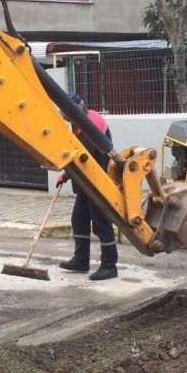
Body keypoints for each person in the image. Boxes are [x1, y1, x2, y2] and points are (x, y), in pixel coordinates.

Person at [58, 93, 118, 281]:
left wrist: (67, 172)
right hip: (87, 180)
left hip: (98, 180)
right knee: (79, 219)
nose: (65, 118)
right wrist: (67, 175)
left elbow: (82, 155)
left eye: (66, 115)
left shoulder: (91, 124)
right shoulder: (82, 121)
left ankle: (109, 266)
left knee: (101, 223)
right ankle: (81, 259)